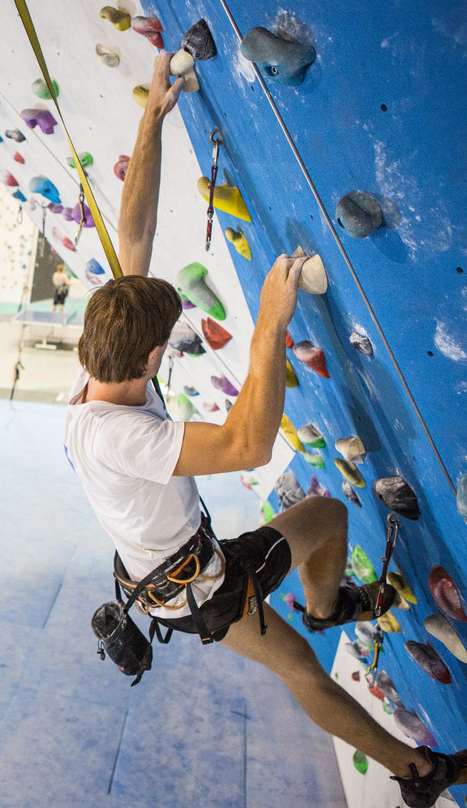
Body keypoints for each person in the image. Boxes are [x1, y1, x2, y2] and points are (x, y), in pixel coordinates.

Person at [64, 50, 464, 808]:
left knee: (324, 525)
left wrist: (152, 117)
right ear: (152, 358)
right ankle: (420, 773)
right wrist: (268, 332)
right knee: (305, 663)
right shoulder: (129, 439)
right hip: (199, 586)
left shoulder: (98, 368)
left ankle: (324, 607)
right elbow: (249, 443)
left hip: (167, 574)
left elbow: (134, 233)